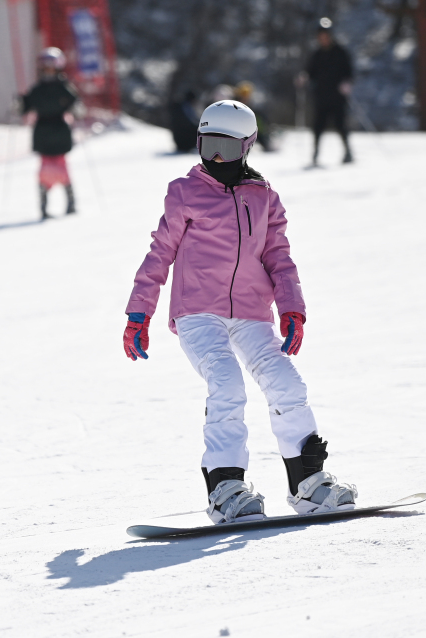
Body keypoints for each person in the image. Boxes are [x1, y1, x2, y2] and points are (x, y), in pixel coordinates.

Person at [122, 99, 358, 524]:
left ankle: (309, 483)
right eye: (208, 145)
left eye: (226, 149)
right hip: (198, 311)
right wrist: (139, 312)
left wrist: (292, 308)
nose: (216, 158)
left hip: (251, 312)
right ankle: (225, 488)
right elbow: (160, 253)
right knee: (227, 383)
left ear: (247, 147)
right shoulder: (184, 192)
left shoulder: (263, 197)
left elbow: (278, 257)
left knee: (286, 384)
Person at [21, 48, 78, 220]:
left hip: (59, 130)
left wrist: (77, 110)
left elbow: (75, 104)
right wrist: (19, 104)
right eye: (46, 68)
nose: (49, 71)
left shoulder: (64, 87)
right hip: (43, 131)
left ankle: (70, 202)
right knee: (44, 169)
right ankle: (44, 206)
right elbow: (25, 106)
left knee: (62, 167)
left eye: (52, 68)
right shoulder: (37, 89)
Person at [301, 18, 354, 165]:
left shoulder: (340, 52)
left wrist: (347, 83)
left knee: (341, 125)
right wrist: (304, 78)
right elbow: (310, 72)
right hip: (321, 96)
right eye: (321, 36)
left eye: (326, 35)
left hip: (337, 97)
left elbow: (348, 72)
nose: (323, 38)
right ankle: (315, 154)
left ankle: (348, 152)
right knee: (318, 126)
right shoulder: (317, 54)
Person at [233, 80, 274, 152]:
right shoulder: (233, 106)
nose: (245, 99)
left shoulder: (252, 108)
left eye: (246, 96)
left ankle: (266, 144)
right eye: (243, 96)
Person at [169, 89, 200, 153]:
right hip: (184, 142)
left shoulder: (181, 107)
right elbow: (191, 123)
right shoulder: (186, 108)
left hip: (179, 141)